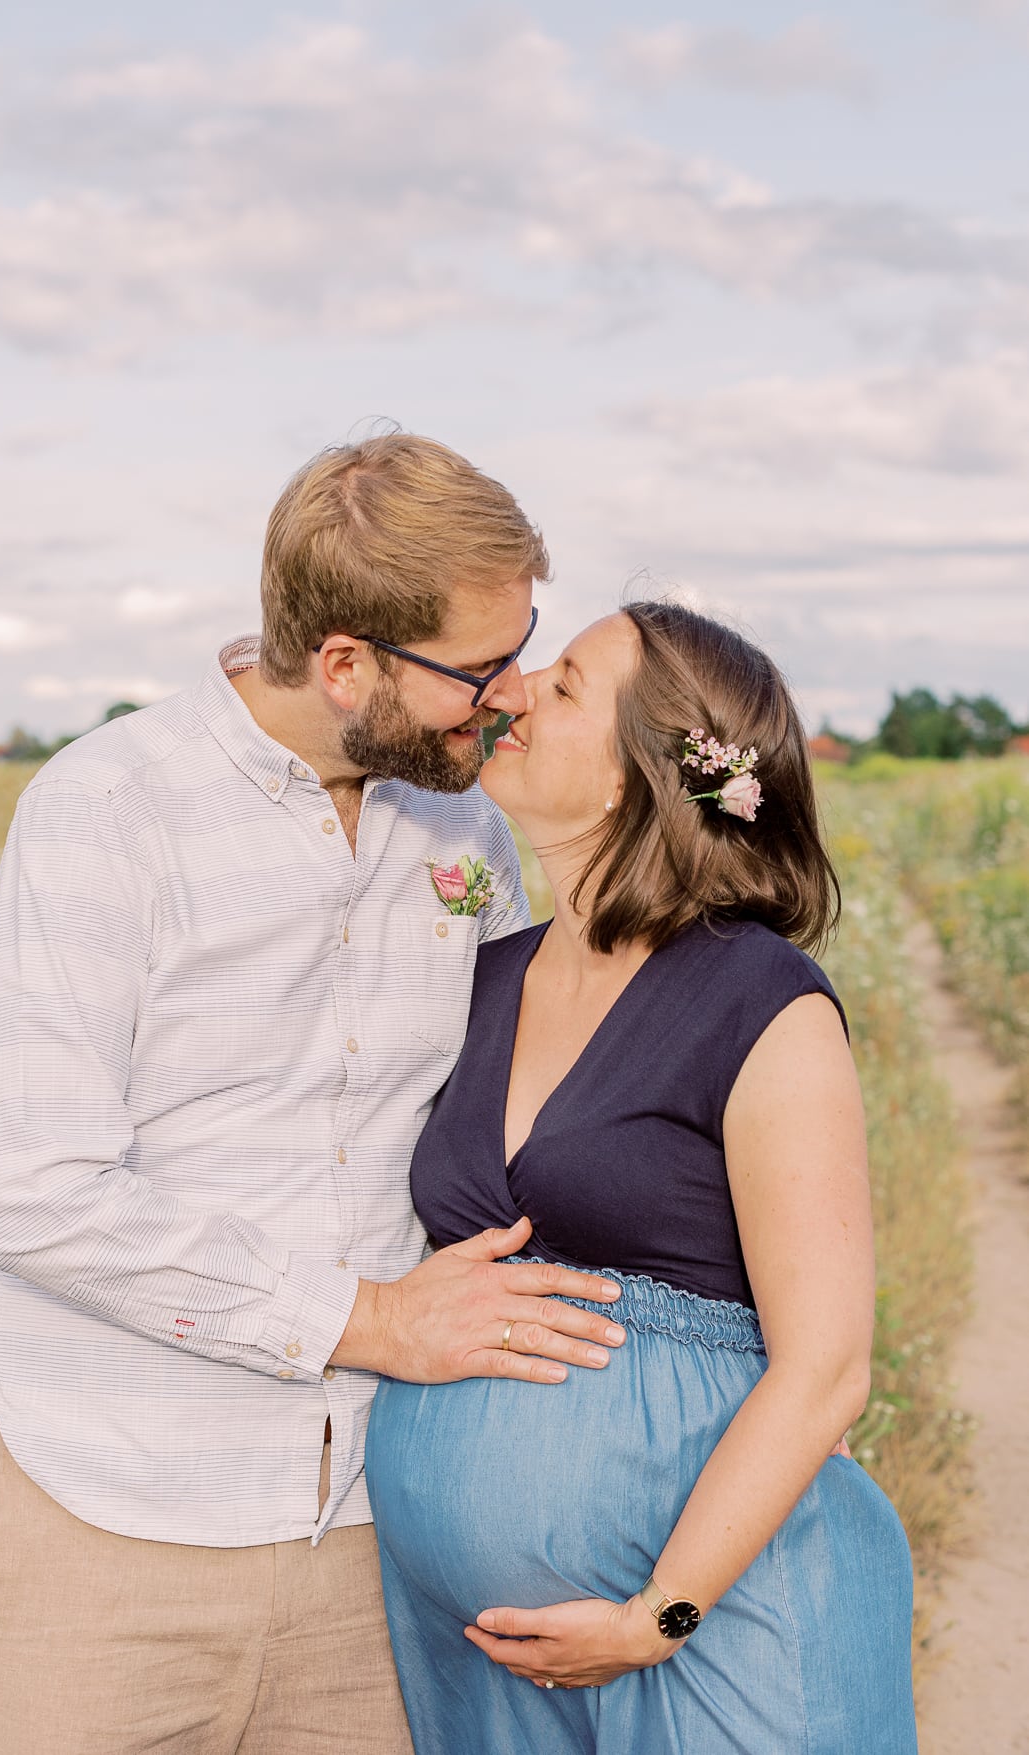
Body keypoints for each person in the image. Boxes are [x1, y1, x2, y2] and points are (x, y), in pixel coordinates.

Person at [0, 433, 627, 1755]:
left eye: (522, 647)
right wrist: (368, 1317)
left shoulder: (468, 830)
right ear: (345, 661)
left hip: (372, 1536)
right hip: (102, 1521)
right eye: (480, 669)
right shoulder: (103, 810)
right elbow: (37, 1192)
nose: (511, 692)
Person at [366, 601, 919, 1754]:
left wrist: (653, 1618)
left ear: (638, 776)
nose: (509, 690)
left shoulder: (760, 1002)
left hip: (723, 1630)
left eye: (563, 684)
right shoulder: (482, 979)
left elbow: (827, 1373)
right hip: (483, 1662)